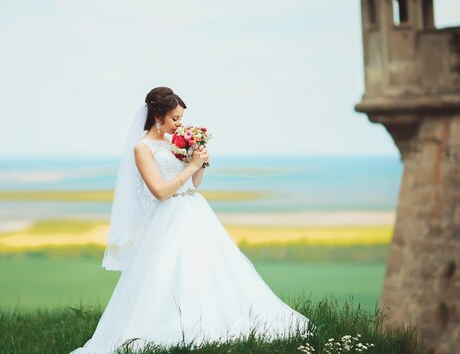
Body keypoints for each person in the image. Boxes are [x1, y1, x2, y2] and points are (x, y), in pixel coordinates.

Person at [69, 87, 312, 354]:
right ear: (158, 117)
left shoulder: (175, 143)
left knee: (209, 268)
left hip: (195, 211)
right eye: (175, 118)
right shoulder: (142, 148)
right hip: (168, 216)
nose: (180, 124)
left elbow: (193, 185)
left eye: (181, 118)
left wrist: (199, 162)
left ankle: (211, 319)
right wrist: (193, 166)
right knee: (165, 273)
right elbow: (160, 192)